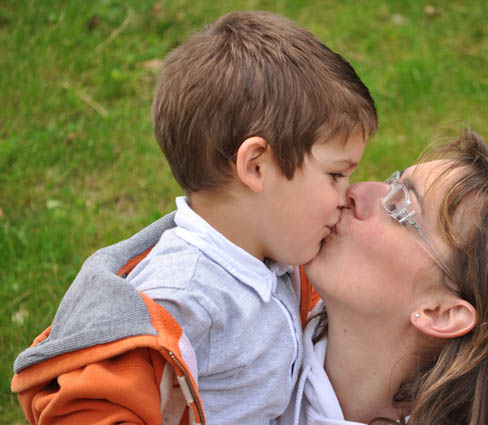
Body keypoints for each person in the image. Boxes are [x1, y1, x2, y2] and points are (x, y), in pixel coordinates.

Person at [12, 11, 377, 425]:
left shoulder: (271, 260)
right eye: (336, 175)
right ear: (256, 166)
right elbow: (93, 407)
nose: (346, 196)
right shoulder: (183, 296)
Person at [280, 130, 488, 425]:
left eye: (399, 210)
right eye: (392, 184)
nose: (357, 190)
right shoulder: (268, 278)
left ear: (441, 312)